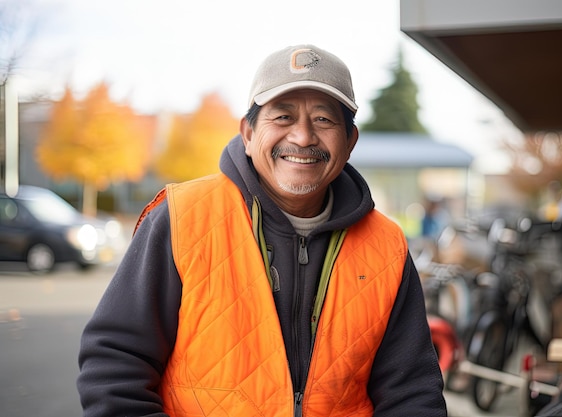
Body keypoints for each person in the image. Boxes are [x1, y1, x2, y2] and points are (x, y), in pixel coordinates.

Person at [77, 44, 447, 416]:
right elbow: (115, 368)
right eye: (283, 117)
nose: (303, 138)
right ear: (249, 134)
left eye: (323, 120)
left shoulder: (386, 245)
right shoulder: (181, 218)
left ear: (350, 141)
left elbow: (412, 391)